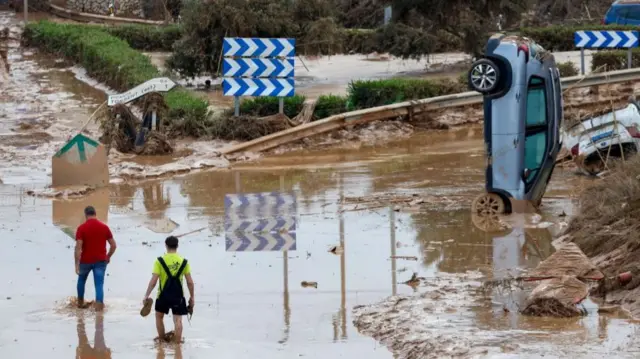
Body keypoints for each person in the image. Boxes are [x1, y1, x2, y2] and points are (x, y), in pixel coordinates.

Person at [143, 236, 195, 343]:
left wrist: (146, 295)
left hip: (162, 296)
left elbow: (153, 281)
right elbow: (190, 282)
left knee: (159, 317)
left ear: (166, 246)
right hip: (178, 296)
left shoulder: (159, 261)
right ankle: (177, 344)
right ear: (177, 246)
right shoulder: (184, 262)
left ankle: (162, 340)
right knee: (178, 320)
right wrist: (192, 297)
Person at [75, 206, 117, 311]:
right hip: (100, 261)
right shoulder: (104, 227)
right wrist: (108, 256)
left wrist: (76, 264)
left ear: (86, 215)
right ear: (95, 214)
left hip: (85, 261)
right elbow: (113, 245)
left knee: (81, 280)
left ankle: (80, 303)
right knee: (99, 284)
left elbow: (78, 248)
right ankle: (99, 307)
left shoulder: (81, 228)